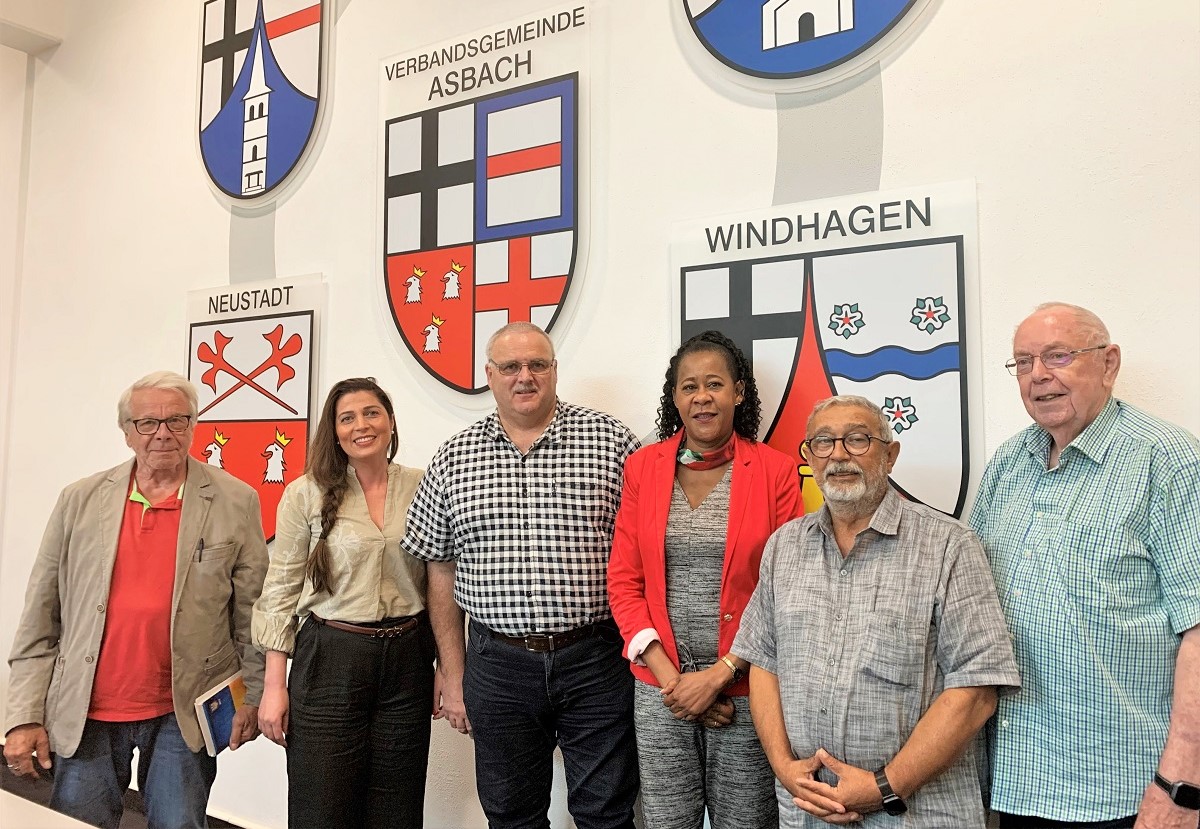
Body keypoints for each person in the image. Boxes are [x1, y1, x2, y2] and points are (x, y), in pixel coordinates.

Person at [734, 395, 1020, 827]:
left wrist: (884, 786)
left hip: (917, 814)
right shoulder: (783, 547)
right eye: (824, 442)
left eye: (857, 439)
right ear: (809, 456)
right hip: (807, 811)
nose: (840, 455)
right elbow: (763, 661)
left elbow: (977, 688)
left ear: (890, 455)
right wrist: (782, 765)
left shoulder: (949, 546)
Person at [401, 322, 640, 829]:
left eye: (538, 364)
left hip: (595, 660)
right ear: (490, 375)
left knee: (606, 813)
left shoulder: (613, 443)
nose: (524, 376)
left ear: (555, 370)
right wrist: (453, 672)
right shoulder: (452, 458)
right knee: (511, 817)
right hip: (497, 664)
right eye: (510, 366)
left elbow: (643, 553)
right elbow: (438, 570)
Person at [970, 303, 1200, 829]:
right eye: (1023, 363)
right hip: (1016, 777)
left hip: (1128, 789)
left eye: (1058, 356)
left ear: (1109, 363)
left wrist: (1181, 787)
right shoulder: (1007, 464)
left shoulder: (1168, 460)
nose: (1038, 376)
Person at [4, 371, 268, 829]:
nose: (162, 433)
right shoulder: (79, 500)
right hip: (86, 710)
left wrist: (254, 696)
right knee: (76, 823)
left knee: (179, 824)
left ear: (193, 426)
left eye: (176, 420)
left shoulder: (235, 500)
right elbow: (40, 618)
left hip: (182, 710)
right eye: (147, 423)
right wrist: (23, 716)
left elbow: (252, 614)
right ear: (127, 433)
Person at [607, 330, 801, 828]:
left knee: (747, 821)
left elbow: (784, 586)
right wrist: (678, 687)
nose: (702, 397)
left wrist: (718, 678)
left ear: (738, 392)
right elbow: (624, 584)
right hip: (661, 693)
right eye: (689, 386)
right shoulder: (642, 469)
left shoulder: (776, 472)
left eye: (715, 384)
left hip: (744, 692)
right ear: (674, 398)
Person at [253, 377, 432, 829]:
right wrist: (275, 686)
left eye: (372, 413)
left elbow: (441, 584)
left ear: (390, 422)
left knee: (398, 808)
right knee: (322, 807)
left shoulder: (424, 485)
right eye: (347, 418)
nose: (361, 426)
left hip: (407, 661)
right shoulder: (305, 493)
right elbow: (281, 590)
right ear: (334, 432)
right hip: (329, 659)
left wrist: (448, 666)